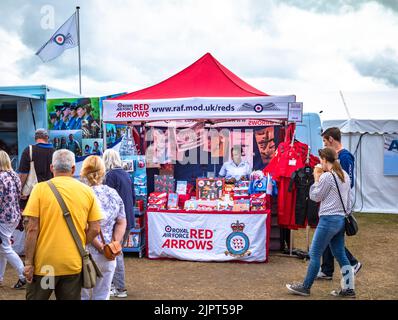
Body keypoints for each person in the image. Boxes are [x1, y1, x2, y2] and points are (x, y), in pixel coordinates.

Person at [22, 149, 102, 300]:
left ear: (52, 168)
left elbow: (32, 229)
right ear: (73, 168)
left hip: (46, 266)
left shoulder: (39, 189)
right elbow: (95, 228)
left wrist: (28, 263)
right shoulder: (87, 191)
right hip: (72, 265)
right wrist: (78, 242)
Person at [286, 147, 356, 298]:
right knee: (340, 254)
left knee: (315, 253)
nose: (319, 163)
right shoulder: (344, 175)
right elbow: (349, 200)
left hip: (328, 220)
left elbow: (315, 196)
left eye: (320, 160)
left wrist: (317, 178)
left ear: (324, 160)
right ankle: (349, 289)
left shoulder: (327, 177)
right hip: (341, 219)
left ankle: (305, 287)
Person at [80, 156, 127, 300]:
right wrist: (114, 243)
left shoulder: (82, 194)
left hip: (86, 252)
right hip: (109, 253)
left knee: (83, 295)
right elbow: (121, 221)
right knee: (103, 294)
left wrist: (100, 246)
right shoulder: (113, 193)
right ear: (103, 172)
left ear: (83, 172)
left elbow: (86, 226)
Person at [317, 127, 361, 280]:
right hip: (332, 205)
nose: (324, 145)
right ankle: (327, 270)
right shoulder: (335, 157)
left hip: (339, 207)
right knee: (331, 239)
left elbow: (348, 182)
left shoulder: (345, 156)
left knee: (331, 239)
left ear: (331, 139)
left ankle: (352, 263)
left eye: (324, 141)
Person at [103, 149, 135, 298]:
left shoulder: (110, 176)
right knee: (117, 251)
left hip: (117, 221)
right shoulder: (126, 174)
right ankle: (118, 286)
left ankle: (119, 287)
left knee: (115, 252)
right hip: (127, 218)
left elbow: (108, 201)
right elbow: (133, 197)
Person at [0, 151, 27, 289]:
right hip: (15, 216)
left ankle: (23, 275)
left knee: (5, 248)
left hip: (3, 218)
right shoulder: (14, 176)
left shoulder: (0, 177)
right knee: (3, 248)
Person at [18, 129, 55, 211]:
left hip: (32, 195)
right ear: (47, 138)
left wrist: (20, 191)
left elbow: (23, 175)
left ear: (35, 138)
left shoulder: (29, 151)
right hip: (51, 193)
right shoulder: (54, 152)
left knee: (31, 221)